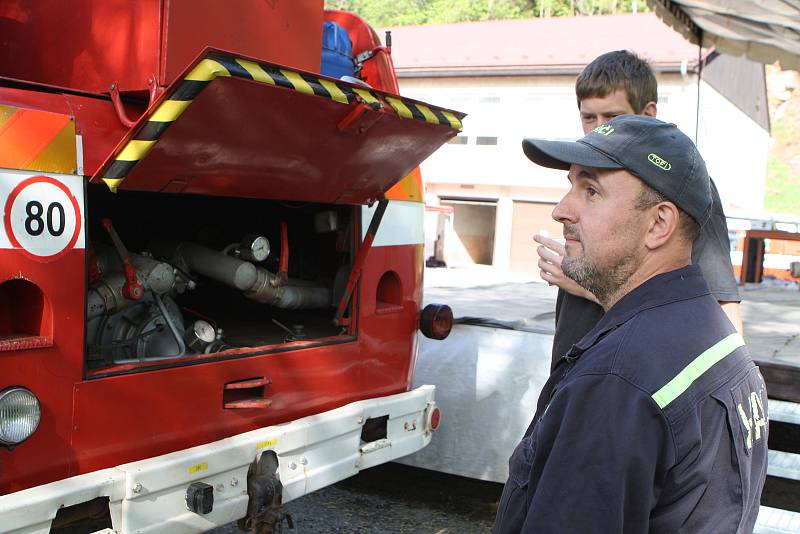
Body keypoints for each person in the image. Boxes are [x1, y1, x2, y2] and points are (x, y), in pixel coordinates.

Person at [493, 115, 767, 533]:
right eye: (570, 186)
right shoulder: (716, 338)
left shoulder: (616, 382)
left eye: (591, 190)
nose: (561, 210)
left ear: (658, 224)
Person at [534, 50, 743, 371]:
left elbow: (720, 319)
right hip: (575, 383)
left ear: (649, 113)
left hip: (626, 389)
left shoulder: (683, 190)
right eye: (589, 117)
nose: (598, 131)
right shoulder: (587, 169)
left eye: (613, 118)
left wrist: (589, 285)